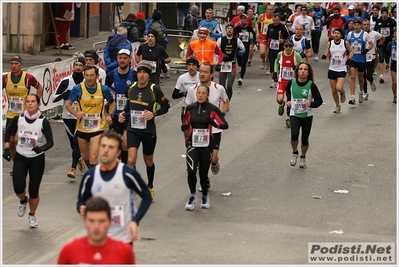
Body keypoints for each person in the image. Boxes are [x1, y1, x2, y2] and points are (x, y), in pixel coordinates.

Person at [77, 131, 152, 245]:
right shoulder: (90, 176)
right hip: (99, 237)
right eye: (103, 146)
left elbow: (146, 197)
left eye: (111, 147)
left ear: (118, 152)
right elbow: (81, 201)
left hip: (123, 238)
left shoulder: (128, 174)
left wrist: (135, 221)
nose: (106, 150)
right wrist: (81, 208)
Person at [118, 61, 170, 201]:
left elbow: (166, 106)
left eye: (144, 73)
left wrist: (154, 114)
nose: (141, 75)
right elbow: (129, 104)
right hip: (133, 128)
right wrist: (123, 113)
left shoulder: (154, 89)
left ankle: (150, 186)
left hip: (148, 131)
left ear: (148, 75)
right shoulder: (131, 88)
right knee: (131, 160)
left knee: (148, 161)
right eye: (140, 72)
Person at [3, 94, 54, 228]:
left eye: (33, 102)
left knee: (33, 190)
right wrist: (7, 148)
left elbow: (50, 142)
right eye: (28, 102)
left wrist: (41, 148)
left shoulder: (43, 121)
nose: (30, 104)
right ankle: (23, 200)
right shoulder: (18, 119)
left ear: (38, 104)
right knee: (18, 188)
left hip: (37, 160)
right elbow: (8, 133)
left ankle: (32, 215)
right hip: (20, 157)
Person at [181, 85, 228, 210]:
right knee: (191, 171)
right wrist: (185, 127)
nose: (200, 95)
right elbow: (186, 121)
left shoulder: (212, 109)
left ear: (208, 95)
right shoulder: (190, 108)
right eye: (199, 93)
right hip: (193, 144)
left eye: (203, 93)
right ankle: (192, 195)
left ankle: (205, 196)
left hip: (206, 145)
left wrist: (213, 123)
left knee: (203, 174)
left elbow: (224, 125)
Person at [185, 63, 230, 189]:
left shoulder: (219, 88)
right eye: (201, 72)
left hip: (214, 130)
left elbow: (226, 101)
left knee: (213, 158)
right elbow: (187, 109)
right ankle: (205, 179)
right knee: (200, 158)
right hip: (198, 131)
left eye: (205, 72)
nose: (202, 74)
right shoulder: (193, 90)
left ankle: (214, 163)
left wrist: (222, 114)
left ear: (211, 74)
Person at [58, 196, 135, 264]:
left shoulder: (125, 252)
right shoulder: (69, 251)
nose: (96, 226)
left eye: (101, 221)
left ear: (110, 222)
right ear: (84, 221)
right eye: (91, 221)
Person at [66, 65, 116, 169]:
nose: (89, 78)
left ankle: (95, 180)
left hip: (97, 128)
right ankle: (93, 172)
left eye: (92, 75)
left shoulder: (103, 89)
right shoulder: (77, 89)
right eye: (87, 75)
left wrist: (110, 115)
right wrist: (76, 114)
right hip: (82, 128)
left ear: (97, 76)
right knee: (85, 157)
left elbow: (112, 103)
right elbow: (68, 105)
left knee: (93, 157)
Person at [3, 55, 43, 176]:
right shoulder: (5, 78)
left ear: (21, 65)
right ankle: (17, 165)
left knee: (18, 140)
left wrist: (36, 102)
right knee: (10, 143)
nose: (14, 66)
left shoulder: (28, 78)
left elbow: (39, 87)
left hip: (24, 116)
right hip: (11, 115)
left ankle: (24, 165)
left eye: (16, 63)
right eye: (12, 63)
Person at [53, 57, 86, 178]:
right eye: (76, 65)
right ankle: (79, 158)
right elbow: (53, 98)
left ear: (83, 67)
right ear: (73, 67)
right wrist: (65, 94)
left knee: (76, 142)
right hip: (67, 117)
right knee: (73, 144)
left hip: (81, 116)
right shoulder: (66, 81)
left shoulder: (87, 81)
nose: (78, 67)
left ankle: (72, 169)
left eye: (80, 65)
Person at [286, 62, 323, 168]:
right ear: (297, 71)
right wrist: (288, 101)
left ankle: (303, 156)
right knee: (294, 135)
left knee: (305, 140)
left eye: (305, 69)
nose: (302, 71)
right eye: (301, 69)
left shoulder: (311, 85)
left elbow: (319, 101)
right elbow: (288, 92)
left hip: (307, 116)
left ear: (308, 72)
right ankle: (294, 152)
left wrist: (310, 104)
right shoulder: (291, 82)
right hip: (294, 113)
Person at [105, 49, 136, 164]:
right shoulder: (110, 76)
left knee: (126, 144)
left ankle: (127, 170)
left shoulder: (135, 75)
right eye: (120, 58)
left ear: (129, 60)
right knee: (115, 145)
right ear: (117, 59)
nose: (122, 60)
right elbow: (106, 94)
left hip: (129, 116)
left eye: (125, 58)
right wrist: (108, 113)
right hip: (115, 115)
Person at [322, 28, 353, 113]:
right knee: (333, 90)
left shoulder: (345, 43)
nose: (336, 35)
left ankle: (342, 92)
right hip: (332, 68)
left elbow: (351, 51)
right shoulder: (330, 43)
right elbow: (328, 52)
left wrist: (349, 58)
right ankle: (337, 105)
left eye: (338, 33)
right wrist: (325, 56)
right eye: (335, 33)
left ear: (341, 35)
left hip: (341, 68)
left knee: (338, 88)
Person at [273, 39, 303, 128]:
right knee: (279, 99)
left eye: (290, 46)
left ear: (293, 47)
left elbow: (302, 65)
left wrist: (297, 67)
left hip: (292, 82)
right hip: (282, 80)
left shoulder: (296, 55)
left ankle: (288, 118)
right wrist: (275, 72)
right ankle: (281, 104)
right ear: (284, 46)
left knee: (290, 101)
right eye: (286, 46)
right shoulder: (280, 54)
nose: (288, 48)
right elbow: (276, 62)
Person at [346, 19, 373, 105]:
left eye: (358, 25)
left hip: (361, 58)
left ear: (360, 26)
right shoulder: (350, 34)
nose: (356, 26)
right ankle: (352, 96)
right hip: (353, 57)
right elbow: (347, 44)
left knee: (361, 77)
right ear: (353, 26)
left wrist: (366, 50)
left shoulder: (365, 34)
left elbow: (371, 44)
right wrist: (348, 53)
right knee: (353, 76)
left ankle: (361, 92)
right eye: (355, 25)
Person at [218, 23, 245, 98]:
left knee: (229, 86)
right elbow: (216, 50)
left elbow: (243, 48)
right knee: (221, 86)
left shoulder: (237, 40)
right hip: (223, 64)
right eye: (228, 29)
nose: (229, 30)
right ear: (226, 30)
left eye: (231, 29)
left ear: (233, 30)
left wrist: (242, 51)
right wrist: (218, 61)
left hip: (232, 64)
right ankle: (223, 101)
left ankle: (228, 102)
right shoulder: (221, 40)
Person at [265, 14, 290, 88]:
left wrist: (283, 40)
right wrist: (266, 40)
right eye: (274, 21)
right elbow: (268, 35)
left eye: (276, 21)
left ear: (279, 20)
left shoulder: (283, 27)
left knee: (279, 64)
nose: (275, 22)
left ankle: (279, 79)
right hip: (272, 47)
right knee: (272, 63)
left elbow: (288, 37)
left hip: (280, 48)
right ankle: (274, 80)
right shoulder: (270, 26)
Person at [172, 55, 200, 122]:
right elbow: (174, 95)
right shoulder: (182, 78)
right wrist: (185, 93)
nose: (191, 67)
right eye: (189, 65)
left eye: (193, 65)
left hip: (199, 107)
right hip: (186, 106)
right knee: (186, 129)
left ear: (197, 66)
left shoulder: (201, 76)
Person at [362, 18, 384, 100]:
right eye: (364, 25)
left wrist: (379, 46)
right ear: (362, 25)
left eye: (367, 24)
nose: (366, 26)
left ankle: (371, 81)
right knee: (363, 75)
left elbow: (383, 37)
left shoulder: (374, 34)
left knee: (368, 75)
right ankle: (365, 92)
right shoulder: (361, 34)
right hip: (363, 56)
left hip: (371, 56)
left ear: (370, 25)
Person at [373, 7, 396, 83]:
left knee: (387, 57)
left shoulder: (392, 21)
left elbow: (395, 32)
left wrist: (393, 38)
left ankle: (387, 63)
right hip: (381, 42)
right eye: (383, 13)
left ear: (387, 14)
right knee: (381, 58)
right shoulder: (378, 21)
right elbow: (375, 31)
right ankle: (381, 76)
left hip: (389, 42)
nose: (384, 15)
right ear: (381, 14)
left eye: (385, 13)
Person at [233, 15, 254, 87]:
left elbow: (252, 37)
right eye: (242, 19)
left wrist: (252, 44)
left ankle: (241, 78)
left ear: (247, 20)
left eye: (245, 19)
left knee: (243, 63)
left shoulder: (249, 28)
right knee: (239, 62)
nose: (243, 20)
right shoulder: (237, 28)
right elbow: (233, 36)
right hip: (239, 47)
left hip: (246, 47)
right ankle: (242, 67)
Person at [256, 4, 274, 71]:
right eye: (268, 9)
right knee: (262, 52)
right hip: (263, 35)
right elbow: (257, 23)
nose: (269, 11)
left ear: (273, 10)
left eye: (271, 10)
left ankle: (267, 68)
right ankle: (263, 61)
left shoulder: (274, 17)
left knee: (268, 54)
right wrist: (257, 32)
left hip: (270, 37)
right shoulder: (262, 16)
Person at [386, 29, 397, 103]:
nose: (396, 34)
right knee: (395, 82)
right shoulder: (390, 44)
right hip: (394, 64)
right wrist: (387, 63)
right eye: (395, 33)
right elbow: (387, 55)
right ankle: (395, 96)